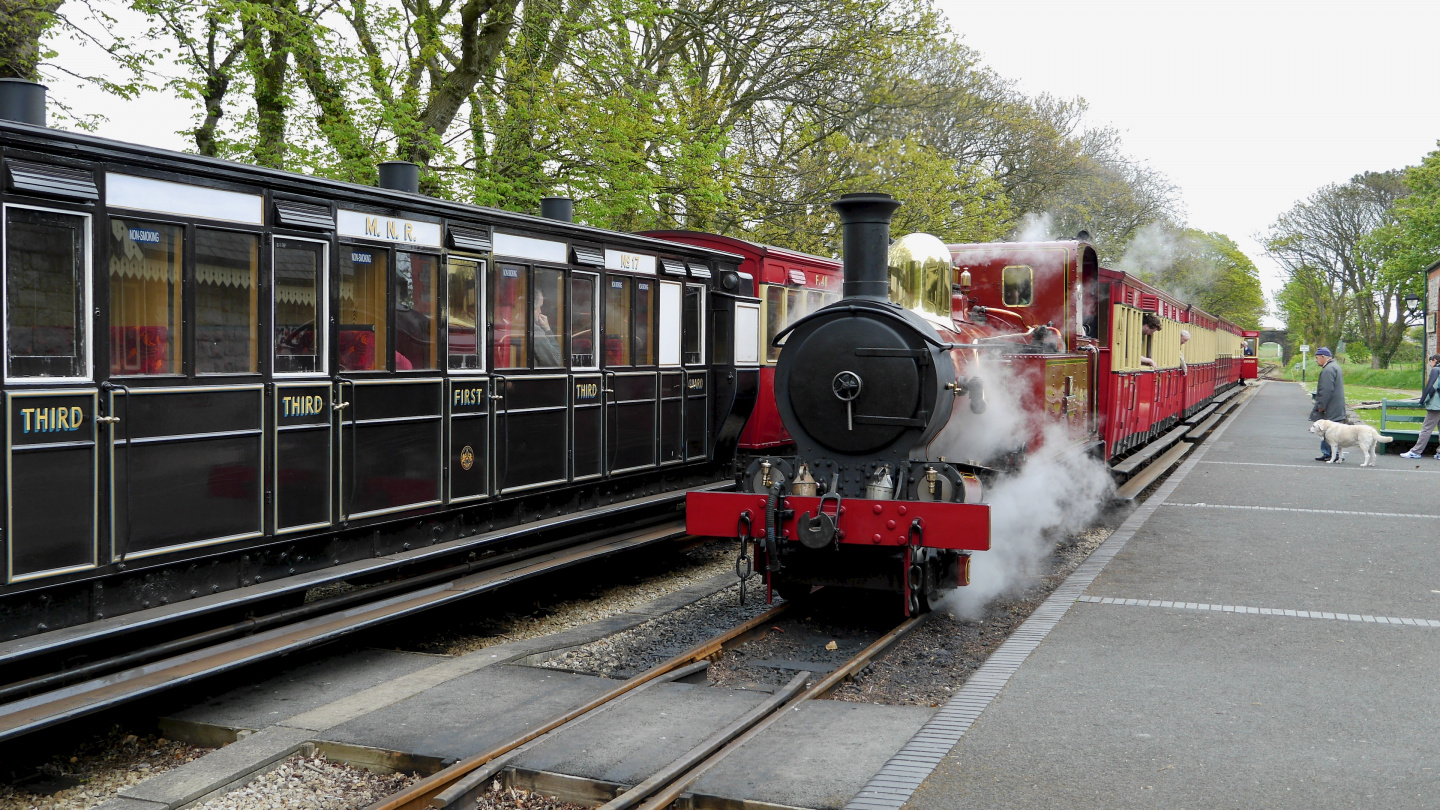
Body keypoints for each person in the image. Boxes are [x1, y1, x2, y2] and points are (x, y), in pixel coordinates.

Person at [1399, 354, 1440, 459]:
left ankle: (1416, 451)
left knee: (1426, 428)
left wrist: (1423, 401)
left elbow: (1432, 387)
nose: (1430, 364)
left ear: (1435, 360)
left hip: (1436, 405)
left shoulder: (1436, 370)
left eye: (1430, 362)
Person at [1309, 347, 1346, 461]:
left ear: (1323, 357)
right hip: (1336, 405)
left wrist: (1321, 406)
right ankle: (1335, 455)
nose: (1316, 360)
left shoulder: (1328, 370)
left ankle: (1329, 454)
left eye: (1317, 357)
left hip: (1331, 407)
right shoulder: (1335, 367)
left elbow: (1325, 390)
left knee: (1327, 430)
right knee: (1334, 431)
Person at [533, 288, 564, 367]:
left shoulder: (513, 324)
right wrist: (547, 329)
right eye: (539, 307)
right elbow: (555, 360)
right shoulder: (534, 330)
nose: (540, 311)